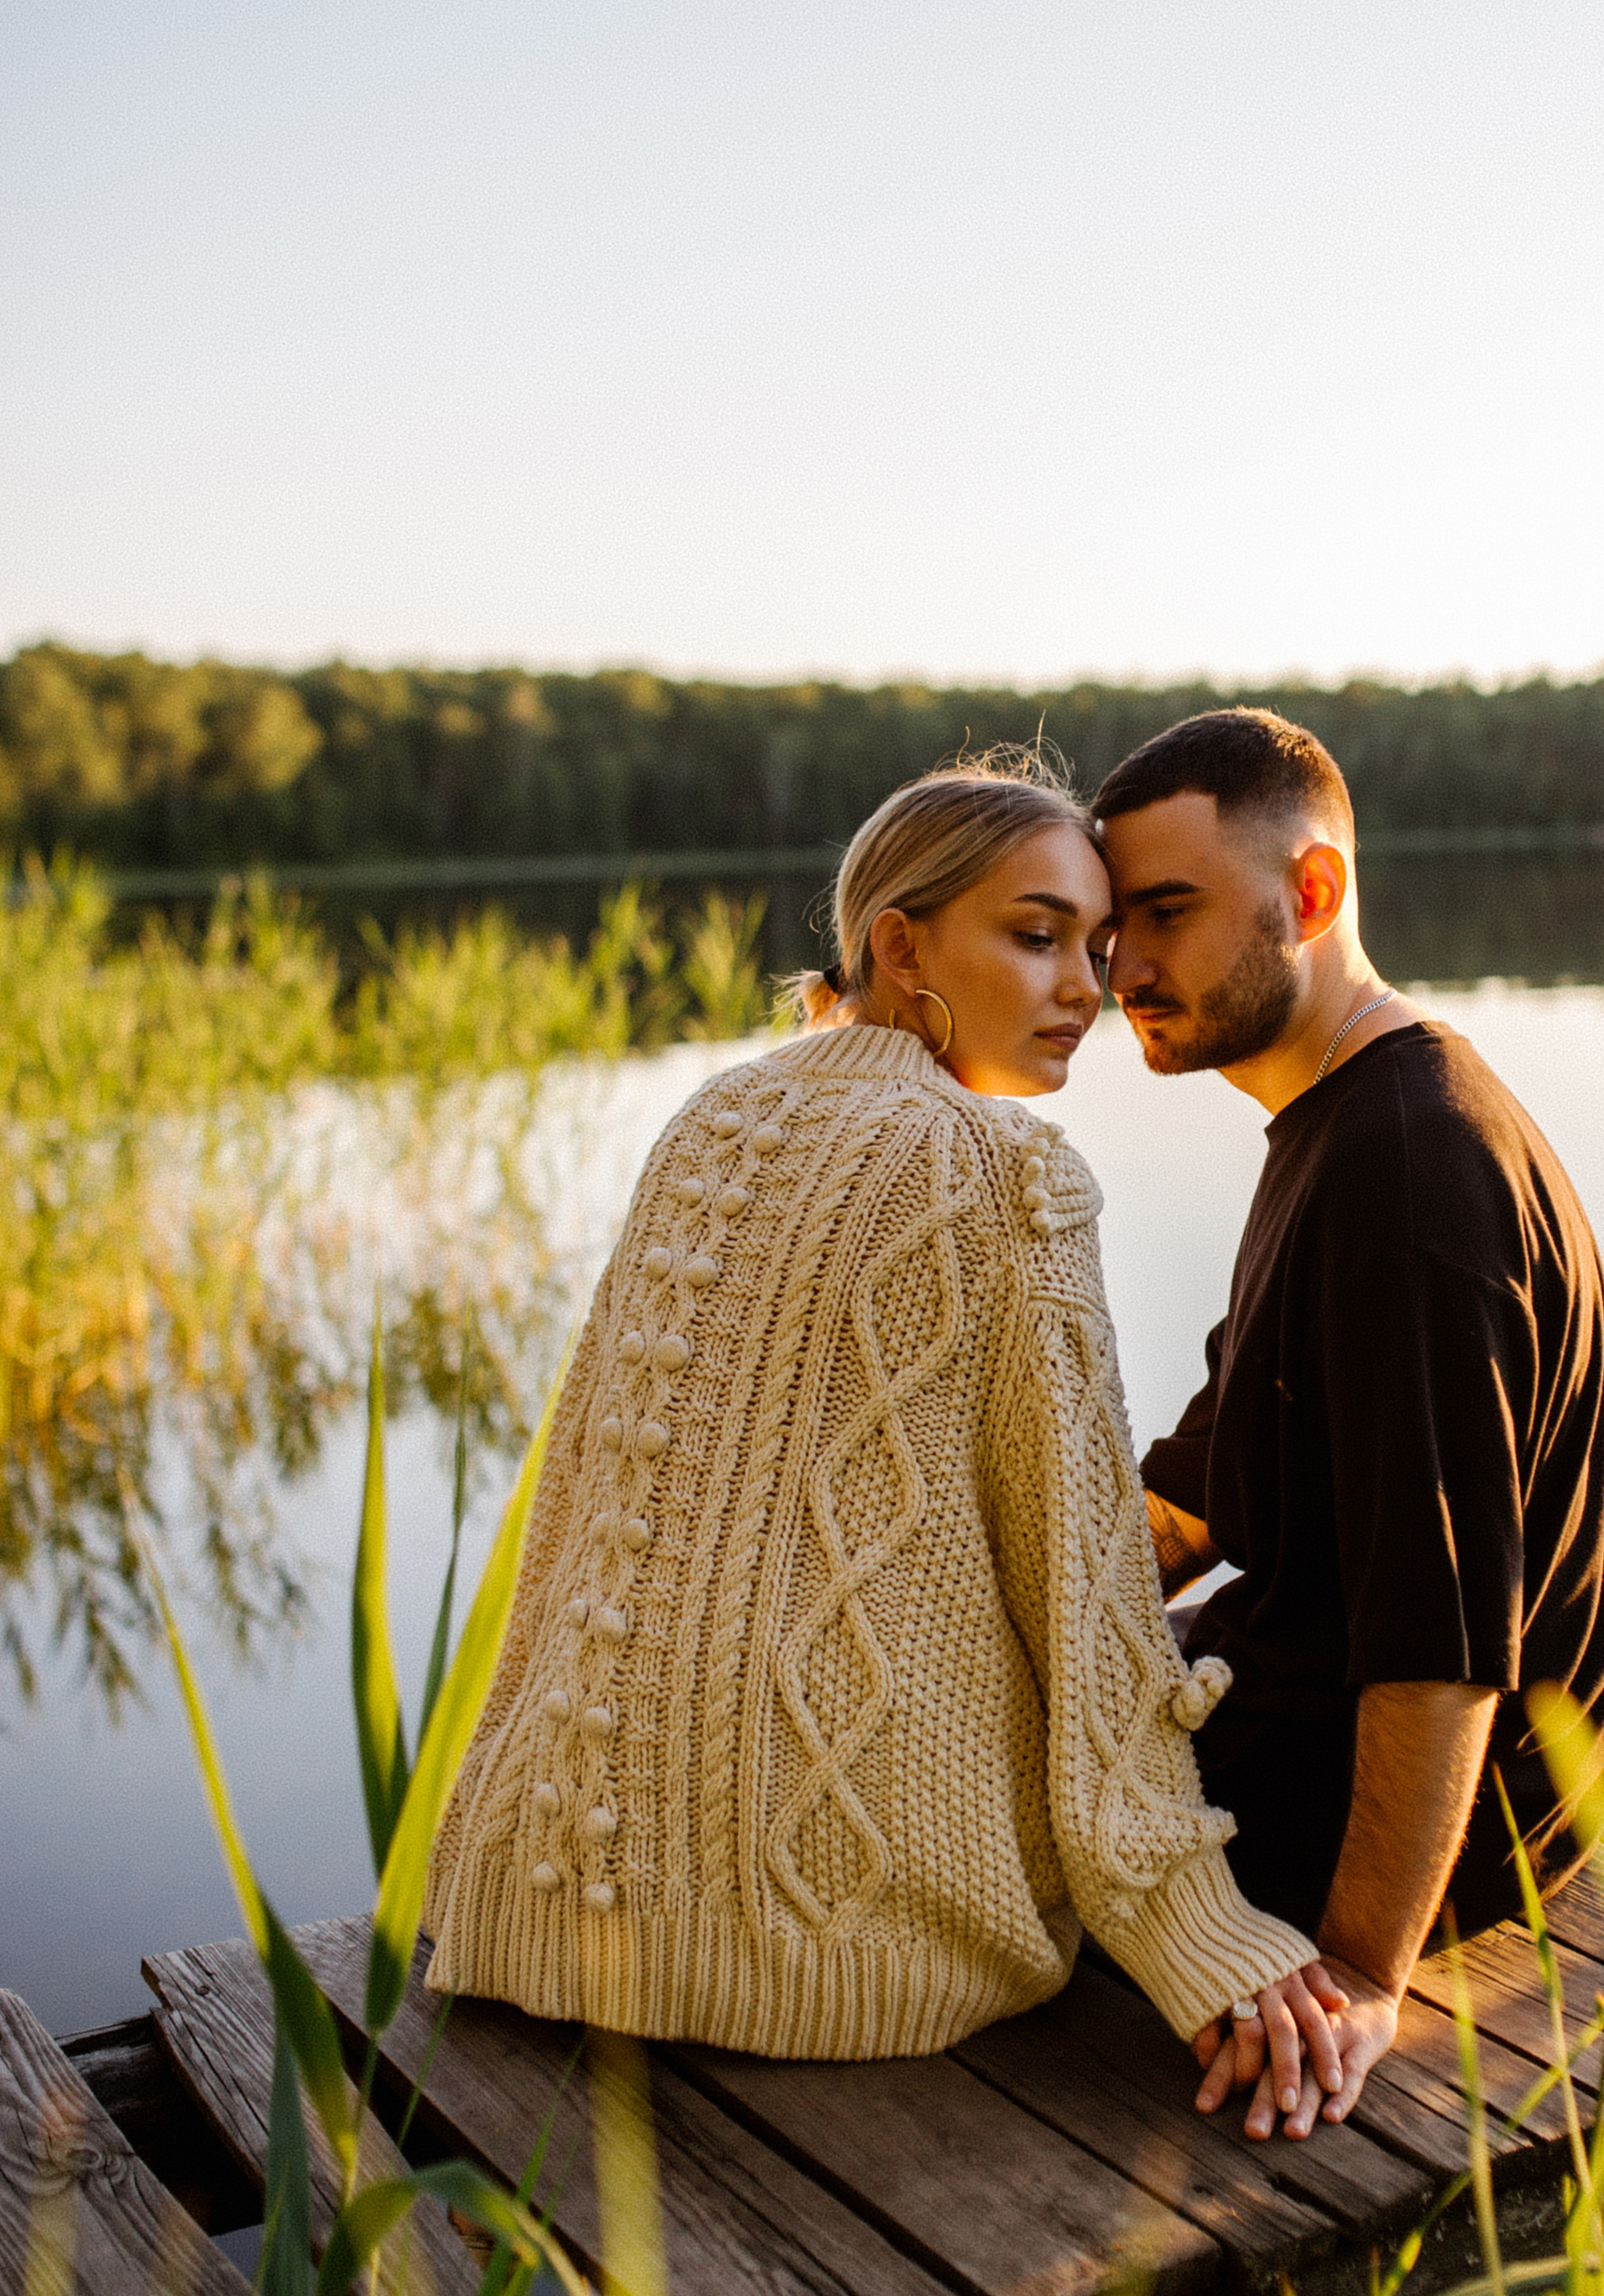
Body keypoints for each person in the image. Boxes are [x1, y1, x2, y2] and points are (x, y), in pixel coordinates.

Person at [425, 756, 1345, 2128]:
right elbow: (1085, 1602)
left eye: (1097, 948)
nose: (1087, 989)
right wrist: (1202, 1938)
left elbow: (581, 1516)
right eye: (1036, 939)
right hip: (850, 1956)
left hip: (547, 1915)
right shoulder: (1003, 1169)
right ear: (900, 946)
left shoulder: (711, 1121)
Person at [1093, 707, 1604, 2145]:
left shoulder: (1410, 1167)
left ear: (1313, 894)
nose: (1120, 969)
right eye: (1107, 926)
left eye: (1164, 914)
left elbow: (1444, 1638)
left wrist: (1350, 1971)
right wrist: (1011, 1606)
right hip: (1303, 1711)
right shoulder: (1340, 1124)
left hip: (1417, 1828)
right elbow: (1213, 1485)